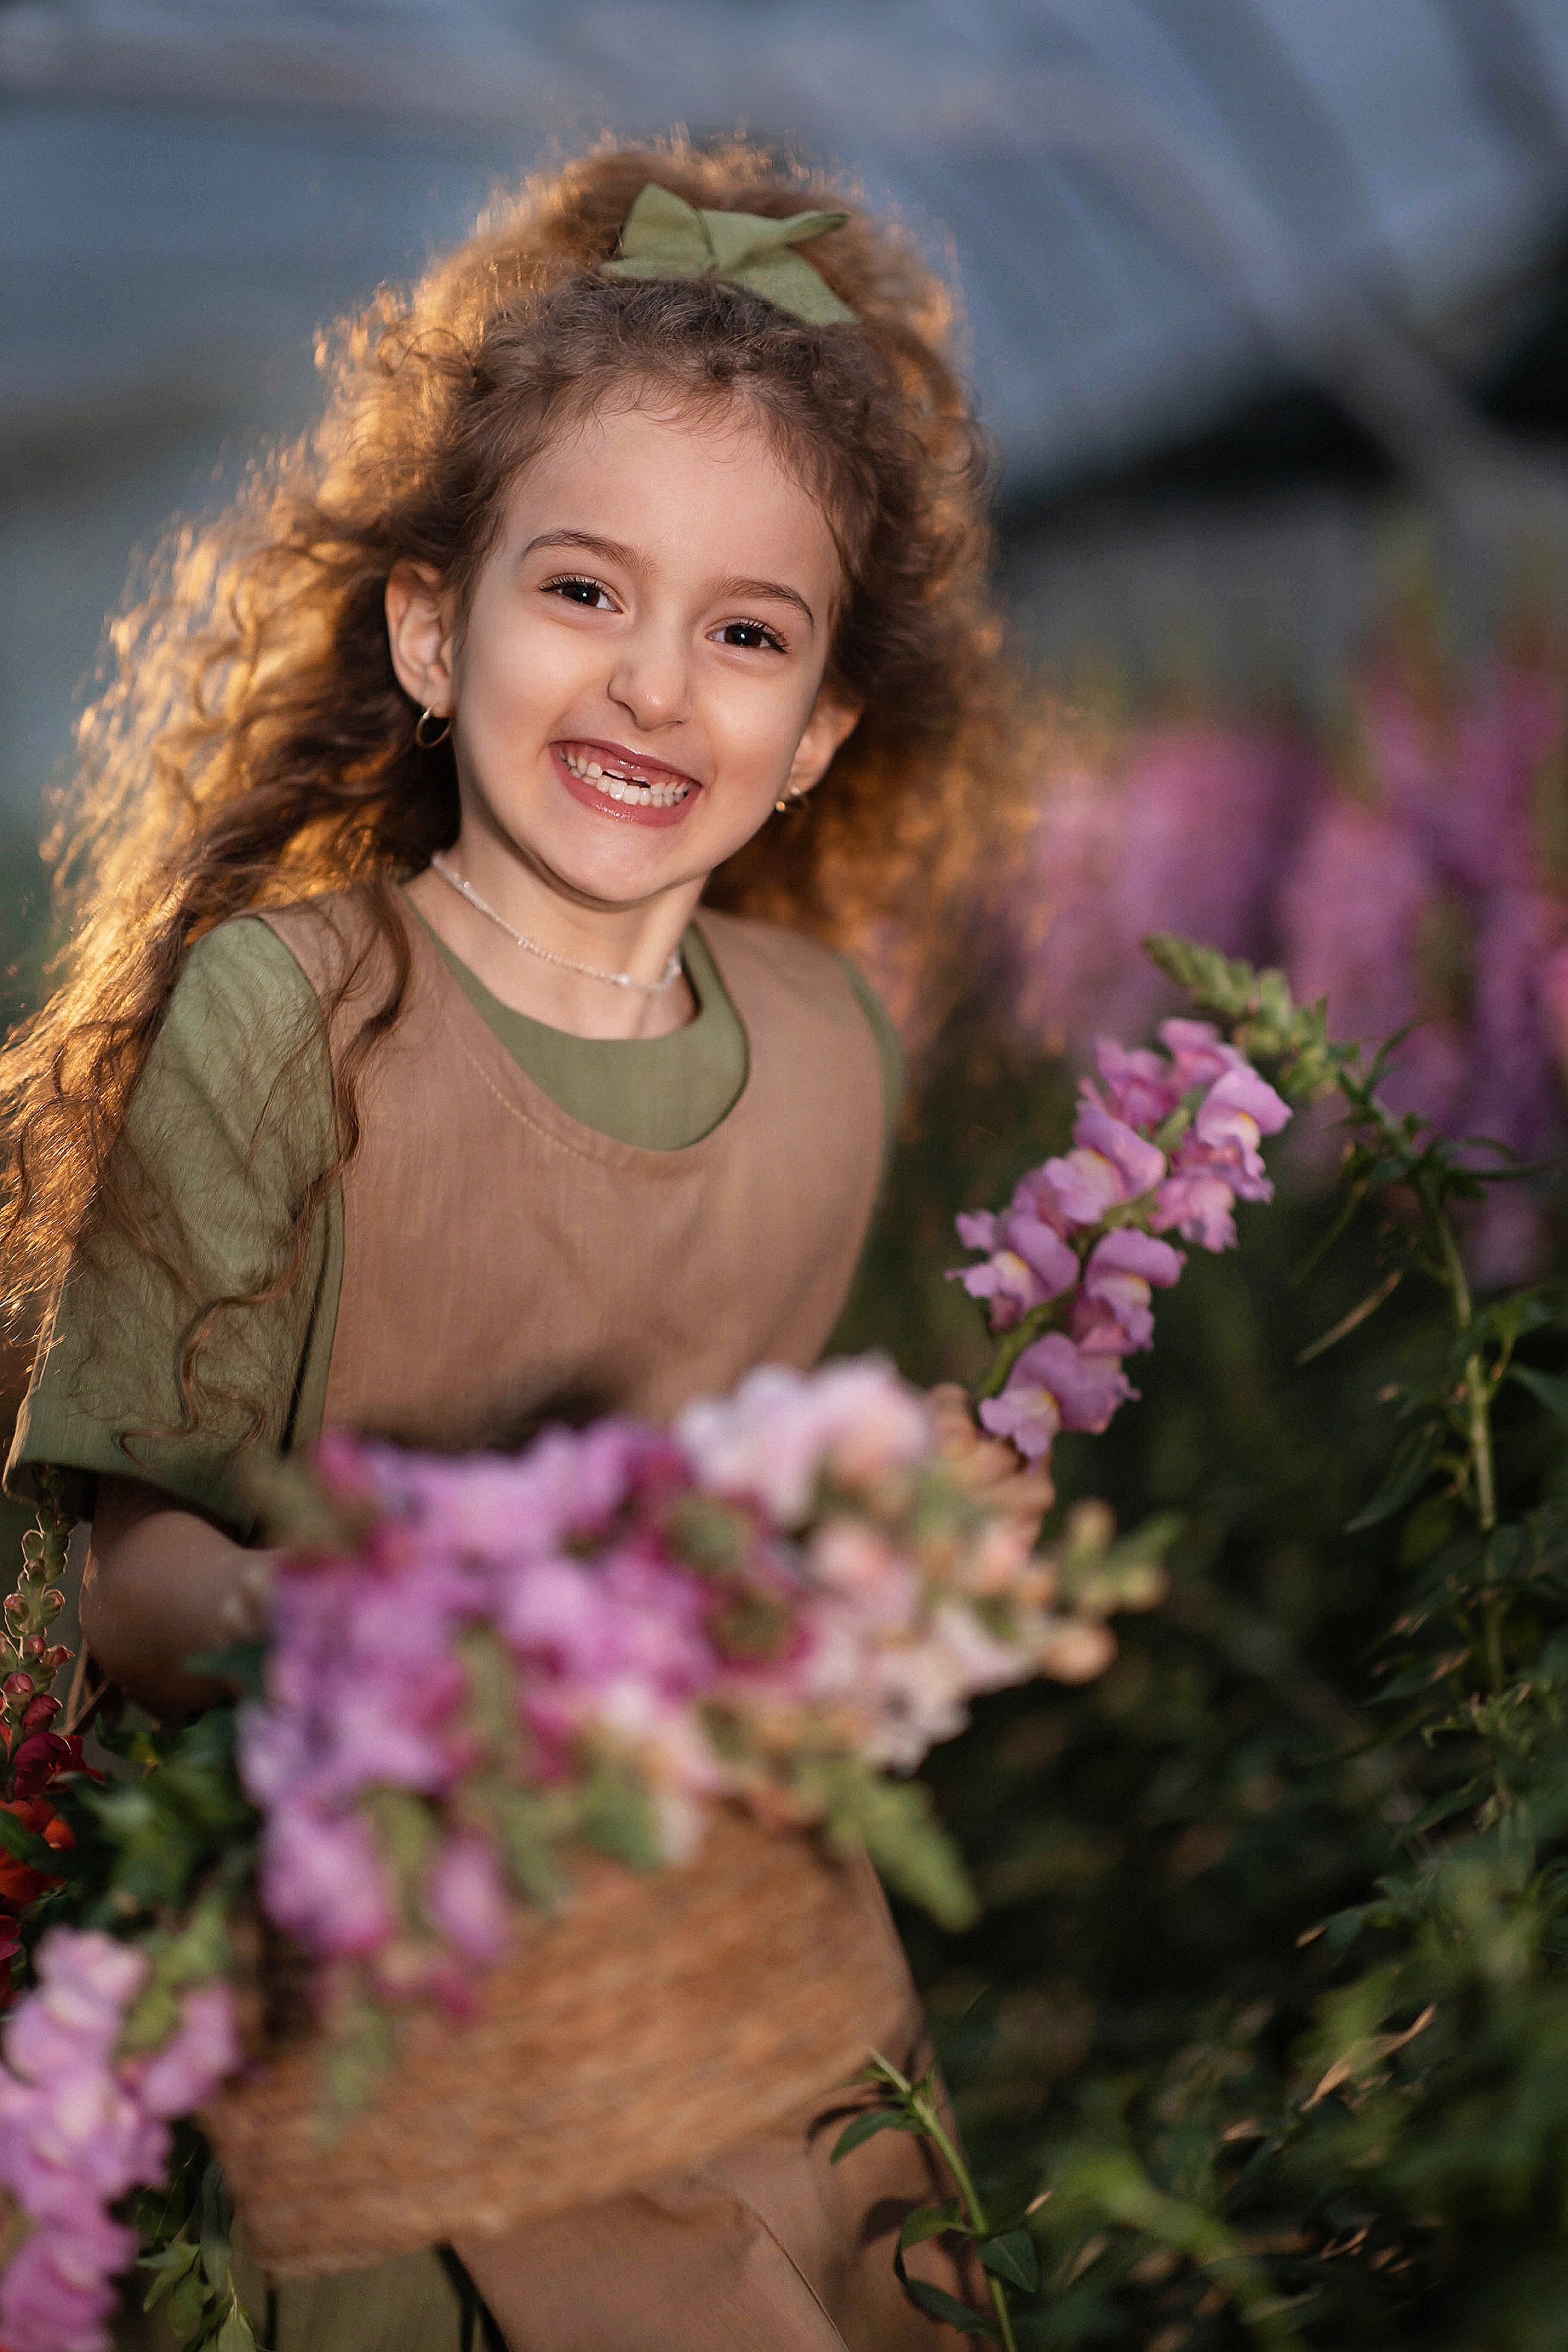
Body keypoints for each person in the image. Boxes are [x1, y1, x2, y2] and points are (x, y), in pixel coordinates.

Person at [0, 137, 1041, 2351]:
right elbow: (141, 1583)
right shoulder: (295, 1019)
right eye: (584, 591)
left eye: (746, 632)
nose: (657, 685)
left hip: (760, 1994)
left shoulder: (828, 1049)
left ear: (819, 733)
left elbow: (749, 1541)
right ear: (426, 623)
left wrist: (908, 1535)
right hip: (400, 2032)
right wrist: (403, 1636)